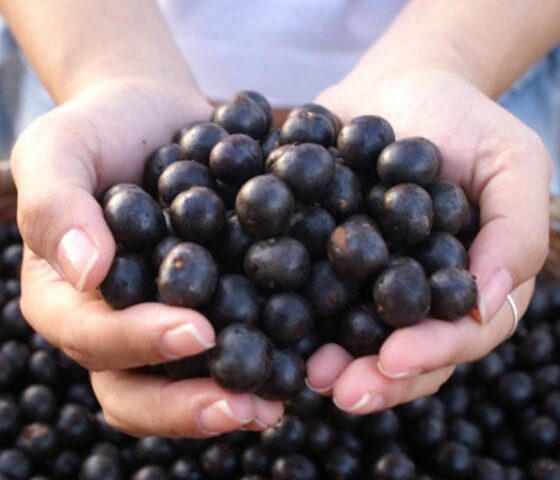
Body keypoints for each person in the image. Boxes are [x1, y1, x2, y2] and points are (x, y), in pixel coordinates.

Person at [0, 0, 558, 438]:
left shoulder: (359, 215)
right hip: (90, 42)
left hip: (486, 52)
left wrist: (451, 57)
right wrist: (106, 69)